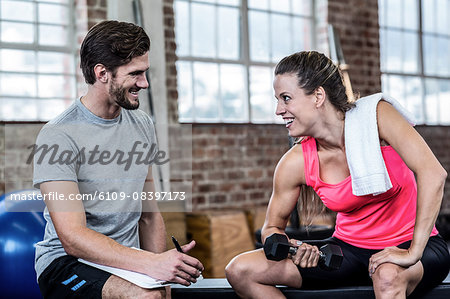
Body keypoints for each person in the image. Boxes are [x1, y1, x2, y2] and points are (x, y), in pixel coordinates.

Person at [225, 51, 450, 298]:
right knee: (240, 270)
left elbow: (433, 173)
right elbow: (272, 228)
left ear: (318, 96)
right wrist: (294, 248)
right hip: (347, 253)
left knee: (387, 275)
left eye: (286, 98)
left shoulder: (377, 118)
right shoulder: (295, 162)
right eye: (277, 100)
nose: (279, 110)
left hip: (412, 245)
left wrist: (413, 251)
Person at [33, 20, 203, 299]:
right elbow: (72, 237)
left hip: (126, 261)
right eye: (135, 74)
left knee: (161, 294)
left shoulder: (142, 124)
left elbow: (148, 215)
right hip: (66, 264)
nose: (144, 83)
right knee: (145, 297)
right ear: (102, 73)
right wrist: (151, 264)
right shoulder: (58, 135)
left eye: (145, 72)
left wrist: (163, 270)